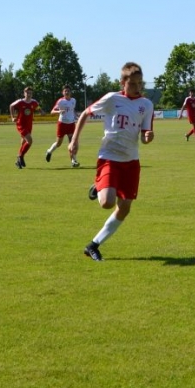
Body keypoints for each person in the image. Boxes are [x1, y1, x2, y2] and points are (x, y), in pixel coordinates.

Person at [69, 62, 155, 262]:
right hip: (109, 157)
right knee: (107, 203)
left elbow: (144, 136)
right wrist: (74, 140)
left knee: (125, 207)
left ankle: (93, 245)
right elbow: (85, 114)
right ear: (122, 82)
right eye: (132, 83)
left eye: (140, 83)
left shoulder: (146, 105)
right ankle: (99, 185)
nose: (137, 87)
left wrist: (148, 137)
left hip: (131, 161)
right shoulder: (111, 99)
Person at [46, 86, 80, 167]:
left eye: (68, 91)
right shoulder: (60, 101)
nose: (67, 92)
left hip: (71, 124)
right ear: (63, 92)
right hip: (62, 124)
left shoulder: (73, 100)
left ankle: (73, 161)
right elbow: (52, 111)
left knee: (73, 143)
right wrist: (59, 111)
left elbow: (72, 110)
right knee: (58, 143)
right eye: (65, 91)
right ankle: (49, 151)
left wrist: (77, 117)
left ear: (70, 92)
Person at [9, 87, 42, 169]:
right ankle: (21, 156)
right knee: (30, 141)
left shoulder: (34, 102)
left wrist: (41, 112)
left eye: (30, 93)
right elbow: (11, 106)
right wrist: (12, 117)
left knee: (24, 142)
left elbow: (38, 108)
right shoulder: (20, 102)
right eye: (27, 93)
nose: (29, 94)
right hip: (21, 124)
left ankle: (18, 161)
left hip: (29, 125)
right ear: (24, 93)